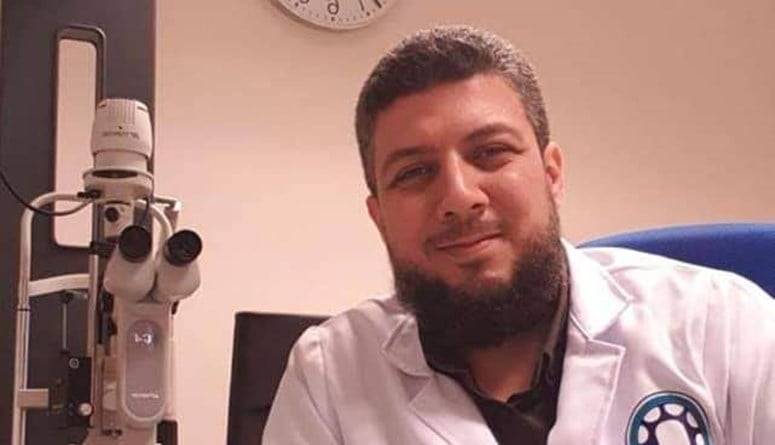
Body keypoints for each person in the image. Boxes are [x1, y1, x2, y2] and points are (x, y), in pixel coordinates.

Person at [263, 25, 775, 444]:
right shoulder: (330, 376)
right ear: (379, 216)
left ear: (552, 175)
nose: (459, 196)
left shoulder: (723, 325)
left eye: (490, 152)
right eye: (414, 172)